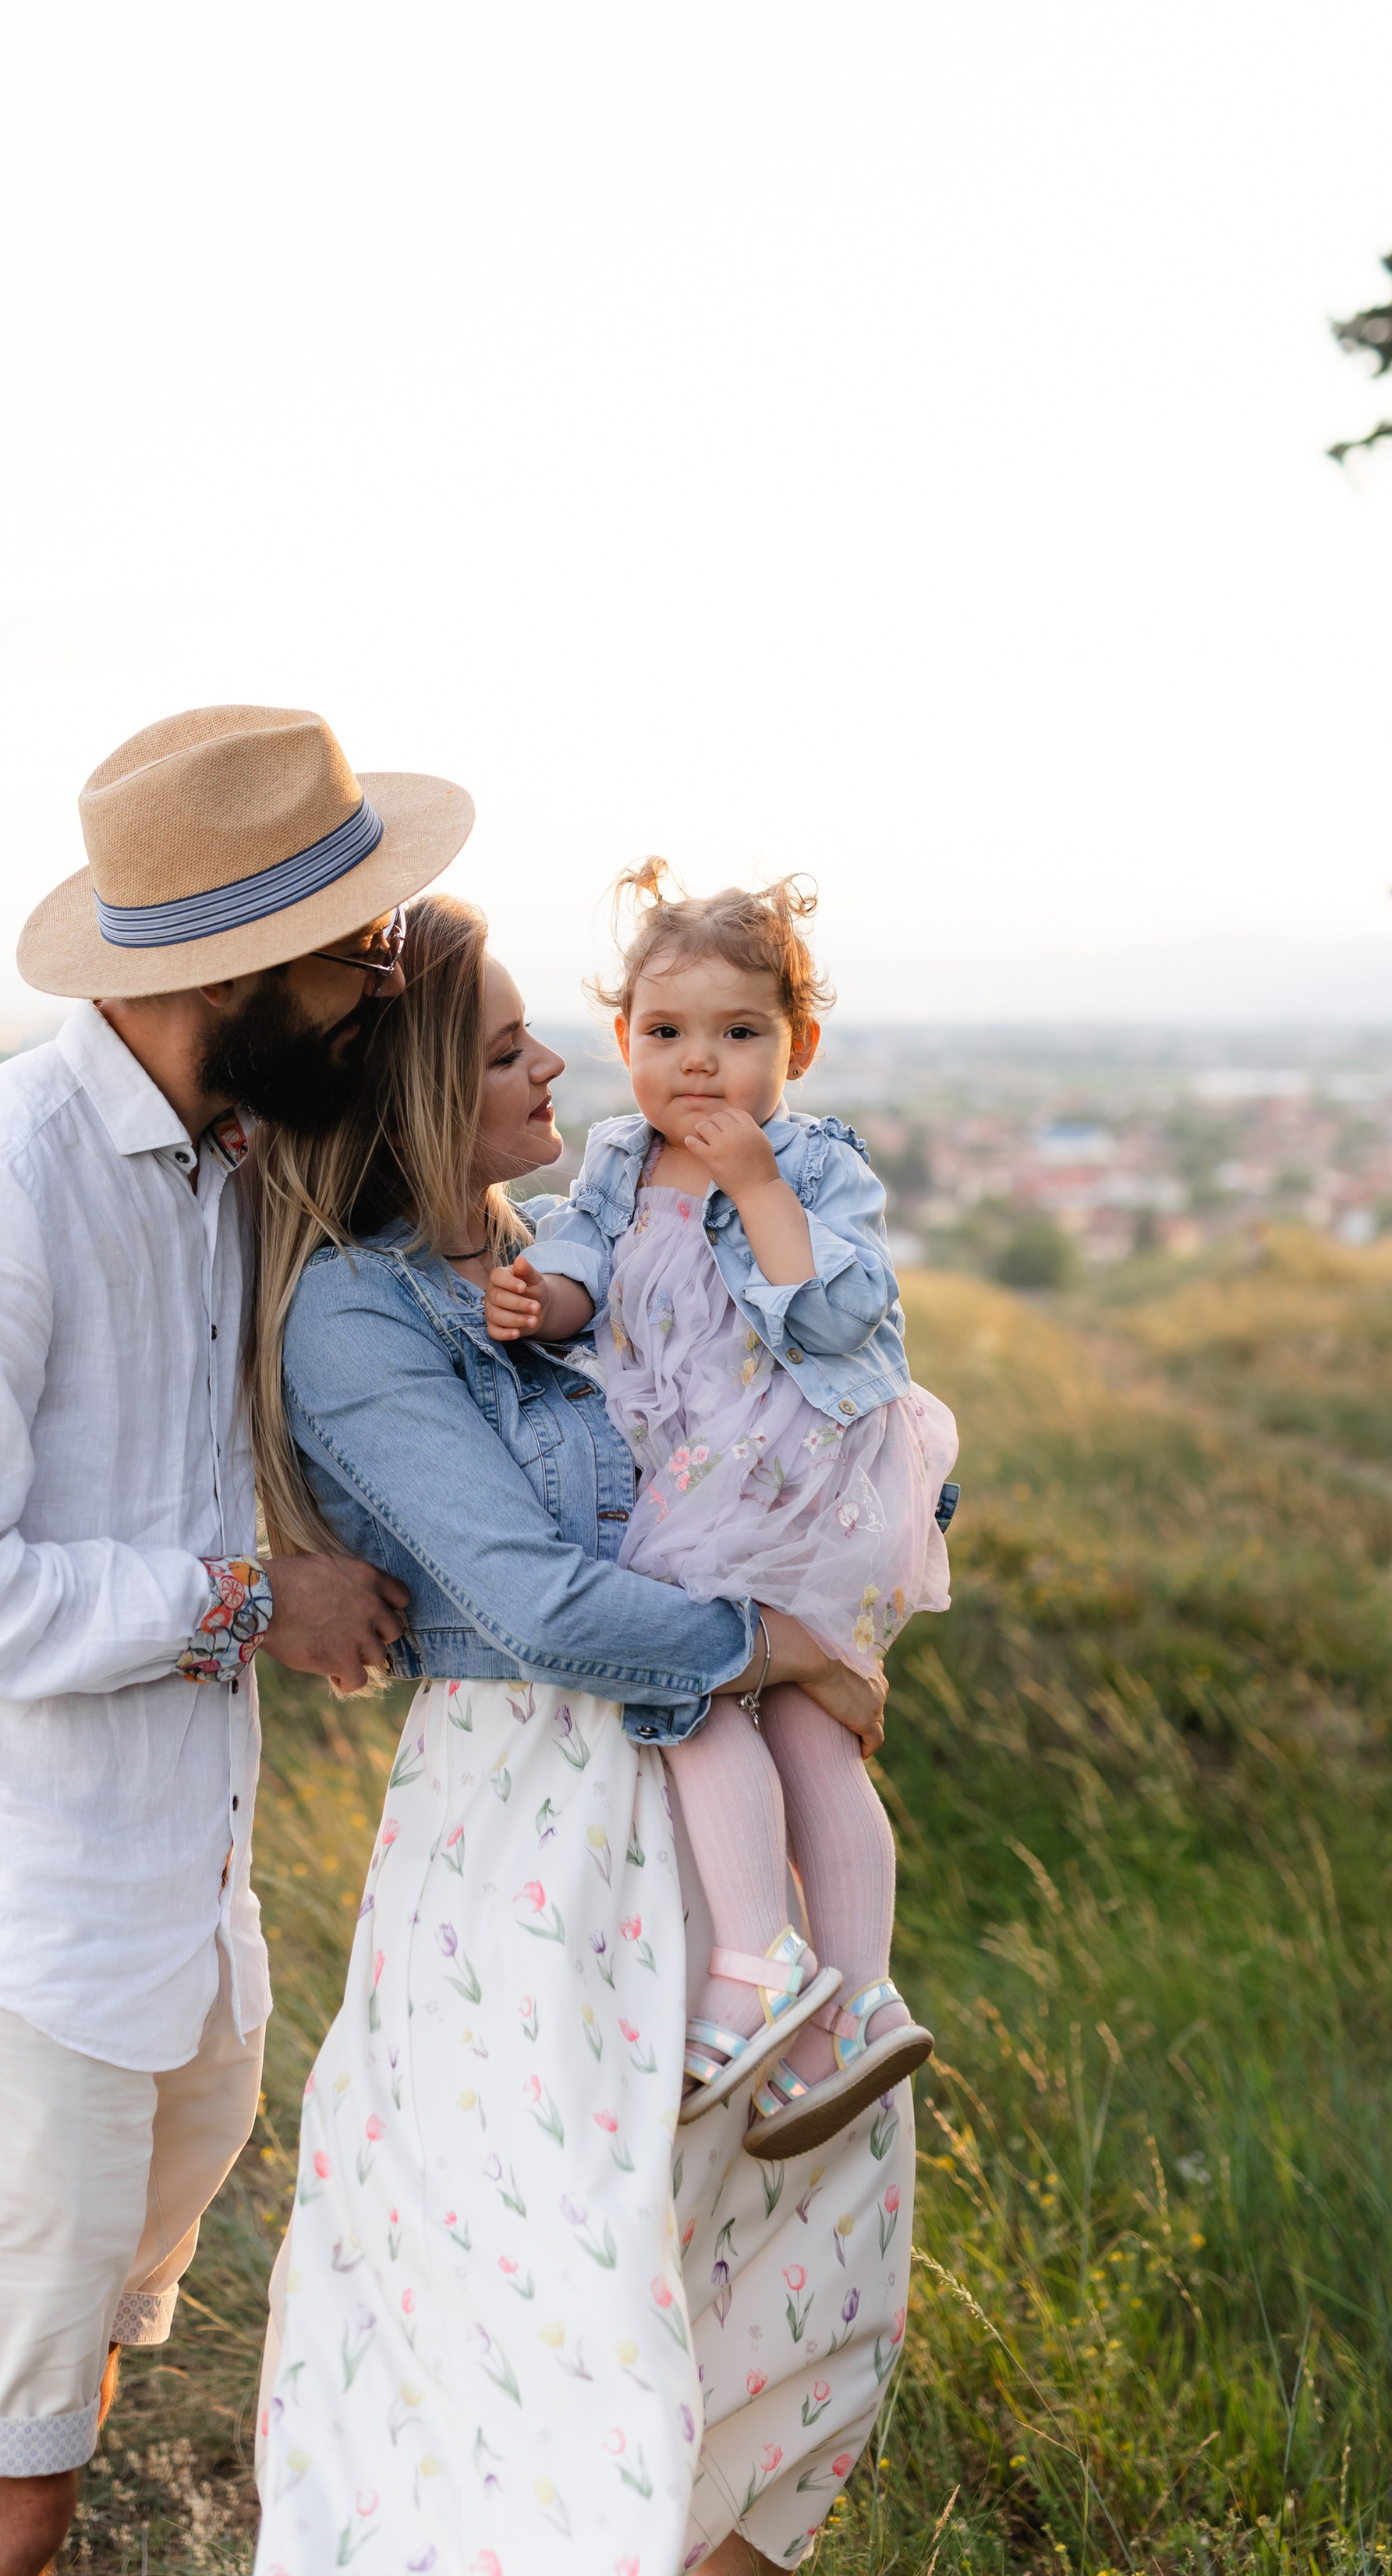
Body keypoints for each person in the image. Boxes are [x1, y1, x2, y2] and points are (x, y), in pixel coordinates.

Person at [0, 702, 474, 2576]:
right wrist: (255, 1601)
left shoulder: (231, 1158)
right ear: (236, 969)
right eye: (359, 949)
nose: (382, 981)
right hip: (20, 1942)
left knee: (81, 2394)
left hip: (176, 1921)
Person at [247, 895, 914, 2576]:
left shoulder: (588, 1241)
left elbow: (789, 1415)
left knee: (796, 2272)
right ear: (409, 1094)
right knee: (565, 2291)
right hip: (535, 1824)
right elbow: (537, 1602)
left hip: (716, 1797)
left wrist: (844, 1560)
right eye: (499, 1051)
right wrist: (776, 1644)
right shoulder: (358, 1315)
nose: (556, 1064)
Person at [487, 861, 956, 2160]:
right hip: (701, 1468)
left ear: (798, 1048)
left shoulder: (814, 1164)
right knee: (801, 1716)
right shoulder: (618, 1160)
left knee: (685, 1677)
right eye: (667, 1032)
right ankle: (859, 2009)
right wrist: (543, 1301)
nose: (700, 1064)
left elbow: (837, 1317)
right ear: (624, 1042)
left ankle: (760, 1960)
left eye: (740, 1033)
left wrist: (758, 1187)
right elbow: (584, 1272)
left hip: (795, 1468)